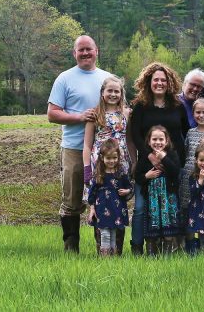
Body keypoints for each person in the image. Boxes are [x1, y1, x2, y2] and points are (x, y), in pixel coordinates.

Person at [48, 35, 112, 253]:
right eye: (81, 50)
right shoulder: (64, 79)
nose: (85, 53)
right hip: (74, 148)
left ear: (97, 51)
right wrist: (80, 117)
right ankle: (71, 249)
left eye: (89, 49)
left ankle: (103, 250)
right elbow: (52, 114)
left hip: (105, 152)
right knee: (72, 200)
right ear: (74, 54)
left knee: (104, 198)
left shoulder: (107, 78)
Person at [127, 62, 190, 255]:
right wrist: (149, 156)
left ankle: (173, 246)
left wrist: (180, 160)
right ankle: (138, 246)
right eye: (156, 80)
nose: (160, 83)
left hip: (173, 164)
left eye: (163, 80)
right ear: (149, 82)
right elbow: (136, 135)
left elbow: (186, 131)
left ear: (169, 82)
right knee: (140, 208)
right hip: (147, 165)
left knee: (172, 206)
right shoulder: (140, 106)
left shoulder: (178, 105)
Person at [82, 75, 131, 255]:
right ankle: (101, 250)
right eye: (109, 91)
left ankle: (117, 250)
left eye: (116, 91)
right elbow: (87, 145)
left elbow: (130, 141)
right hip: (100, 163)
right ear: (102, 93)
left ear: (121, 93)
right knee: (100, 204)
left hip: (121, 162)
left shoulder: (126, 113)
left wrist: (133, 162)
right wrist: (87, 169)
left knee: (118, 204)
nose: (113, 94)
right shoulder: (95, 114)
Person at [139, 126, 182, 256]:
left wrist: (164, 158)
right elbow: (137, 176)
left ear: (167, 141)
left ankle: (167, 254)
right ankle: (152, 253)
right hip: (152, 198)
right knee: (152, 225)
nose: (158, 142)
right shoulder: (146, 157)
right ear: (148, 141)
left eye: (161, 139)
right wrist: (146, 176)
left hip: (168, 198)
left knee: (168, 223)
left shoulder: (172, 155)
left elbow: (175, 172)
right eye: (154, 139)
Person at [87, 139, 133, 257]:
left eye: (114, 158)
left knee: (113, 233)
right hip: (102, 207)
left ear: (118, 157)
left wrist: (126, 191)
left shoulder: (121, 172)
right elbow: (92, 193)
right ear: (102, 158)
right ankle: (105, 258)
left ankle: (113, 258)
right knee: (105, 233)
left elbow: (129, 187)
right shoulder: (99, 173)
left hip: (117, 208)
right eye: (108, 158)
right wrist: (92, 209)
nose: (112, 161)